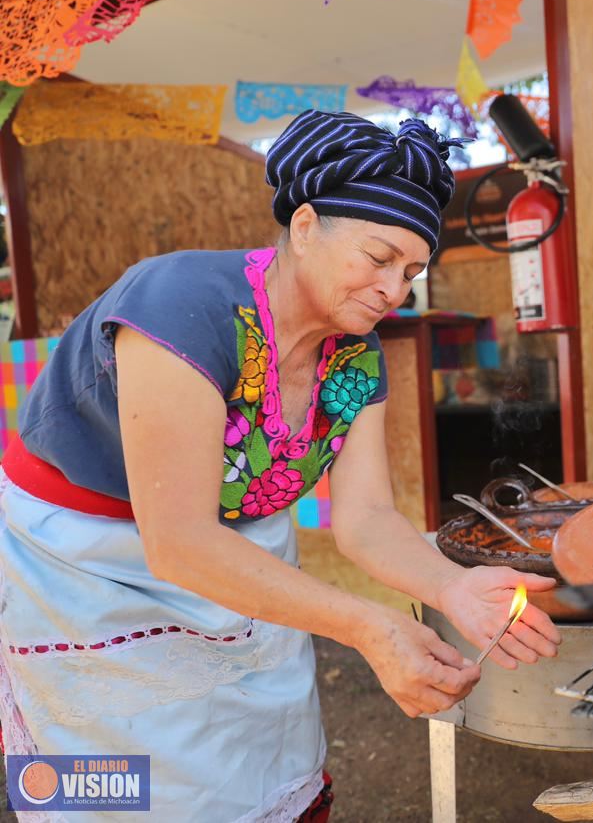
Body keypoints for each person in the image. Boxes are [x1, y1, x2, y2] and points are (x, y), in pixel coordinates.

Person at [0, 111, 561, 821]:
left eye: (413, 272)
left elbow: (366, 521)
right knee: (120, 780)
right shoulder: (181, 308)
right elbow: (177, 542)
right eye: (378, 256)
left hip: (238, 563)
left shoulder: (356, 360)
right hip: (84, 568)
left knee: (257, 755)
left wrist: (455, 589)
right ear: (303, 227)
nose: (395, 290)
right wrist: (369, 627)